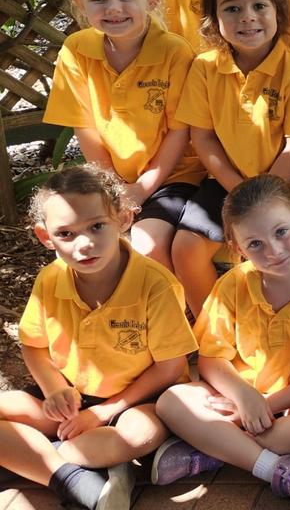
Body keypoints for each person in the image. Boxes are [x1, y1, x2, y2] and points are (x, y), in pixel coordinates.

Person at [153, 175, 290, 505]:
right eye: (255, 244)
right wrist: (243, 395)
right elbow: (210, 358)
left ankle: (216, 449)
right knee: (171, 402)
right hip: (239, 394)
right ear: (237, 248)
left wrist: (263, 406)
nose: (274, 251)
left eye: (281, 232)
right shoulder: (233, 286)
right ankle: (275, 467)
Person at [0, 165, 196, 510]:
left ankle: (42, 462)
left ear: (123, 219)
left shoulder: (155, 284)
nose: (84, 244)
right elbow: (34, 346)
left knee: (132, 436)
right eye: (66, 234)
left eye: (96, 226)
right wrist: (53, 389)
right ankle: (78, 477)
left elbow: (170, 367)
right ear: (46, 237)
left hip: (139, 400)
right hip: (74, 401)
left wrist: (104, 413)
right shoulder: (49, 280)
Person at [171, 0, 290, 316]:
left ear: (278, 11)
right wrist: (238, 191)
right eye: (232, 9)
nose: (247, 17)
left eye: (259, 6)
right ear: (214, 18)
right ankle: (218, 332)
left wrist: (259, 201)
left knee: (284, 250)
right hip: (228, 182)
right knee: (185, 247)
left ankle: (287, 325)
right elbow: (203, 138)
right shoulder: (205, 68)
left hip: (288, 184)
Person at [45, 0, 204, 270]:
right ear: (80, 4)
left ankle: (174, 312)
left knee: (146, 246)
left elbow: (179, 132)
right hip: (112, 177)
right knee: (79, 249)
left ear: (152, 0)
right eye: (99, 0)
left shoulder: (174, 52)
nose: (113, 9)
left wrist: (138, 192)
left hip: (175, 176)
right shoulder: (76, 50)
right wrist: (114, 190)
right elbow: (85, 128)